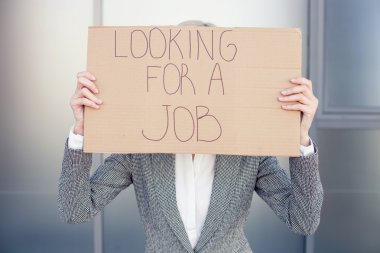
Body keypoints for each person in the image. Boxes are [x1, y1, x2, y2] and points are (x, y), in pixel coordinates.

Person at [58, 21, 323, 253]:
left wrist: (300, 140)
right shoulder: (140, 148)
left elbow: (303, 220)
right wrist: (81, 132)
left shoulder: (250, 151)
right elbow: (75, 210)